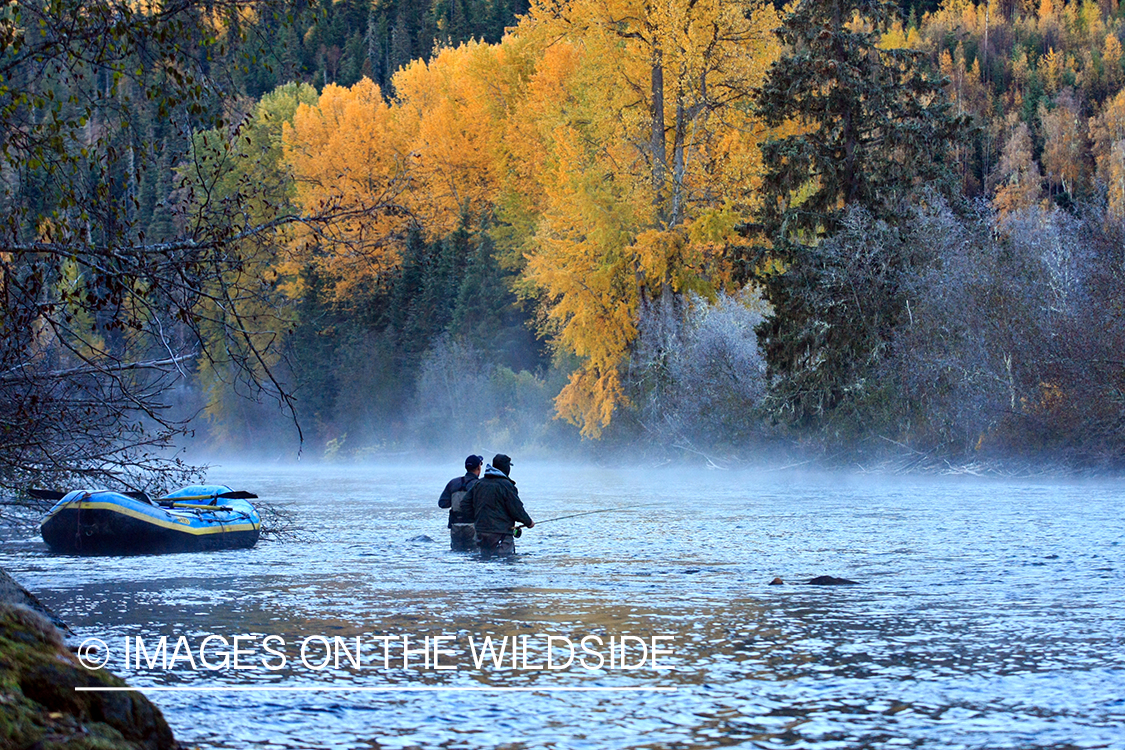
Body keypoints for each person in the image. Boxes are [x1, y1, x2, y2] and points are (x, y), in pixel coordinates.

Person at [463, 453, 533, 557]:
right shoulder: (506, 485)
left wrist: (477, 519)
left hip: (481, 533)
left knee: (485, 562)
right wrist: (529, 522)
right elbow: (516, 509)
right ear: (506, 468)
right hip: (502, 534)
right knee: (505, 562)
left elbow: (465, 504)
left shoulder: (479, 483)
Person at [438, 455, 483, 551]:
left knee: (456, 552)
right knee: (473, 553)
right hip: (472, 525)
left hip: (455, 526)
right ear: (479, 467)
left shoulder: (453, 483)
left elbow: (442, 503)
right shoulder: (479, 485)